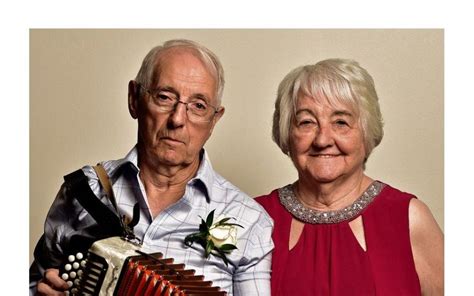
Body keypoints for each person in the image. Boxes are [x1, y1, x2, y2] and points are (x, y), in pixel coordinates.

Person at [30, 39, 274, 296]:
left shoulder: (248, 221)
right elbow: (33, 283)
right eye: (164, 97)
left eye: (198, 106)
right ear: (134, 99)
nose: (178, 119)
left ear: (214, 120)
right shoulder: (85, 191)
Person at [255, 59, 443, 296]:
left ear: (366, 133)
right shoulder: (253, 217)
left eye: (341, 122)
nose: (323, 140)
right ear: (286, 133)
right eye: (306, 122)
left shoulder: (409, 218)